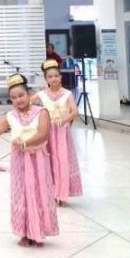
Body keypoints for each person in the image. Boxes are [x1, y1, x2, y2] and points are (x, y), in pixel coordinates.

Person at [0, 74, 58, 247]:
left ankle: (38, 232)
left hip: (38, 159)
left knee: (38, 192)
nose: (18, 100)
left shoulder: (41, 112)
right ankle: (25, 233)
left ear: (29, 95)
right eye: (13, 98)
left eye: (21, 95)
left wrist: (25, 143)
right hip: (20, 160)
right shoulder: (11, 116)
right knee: (22, 194)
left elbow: (43, 134)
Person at [34, 60, 82, 206]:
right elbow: (26, 104)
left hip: (62, 132)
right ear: (46, 79)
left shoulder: (67, 94)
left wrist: (64, 119)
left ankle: (63, 195)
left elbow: (75, 111)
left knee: (62, 162)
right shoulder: (42, 94)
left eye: (56, 76)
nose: (53, 79)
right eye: (50, 76)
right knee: (49, 162)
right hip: (47, 132)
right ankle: (53, 193)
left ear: (60, 77)